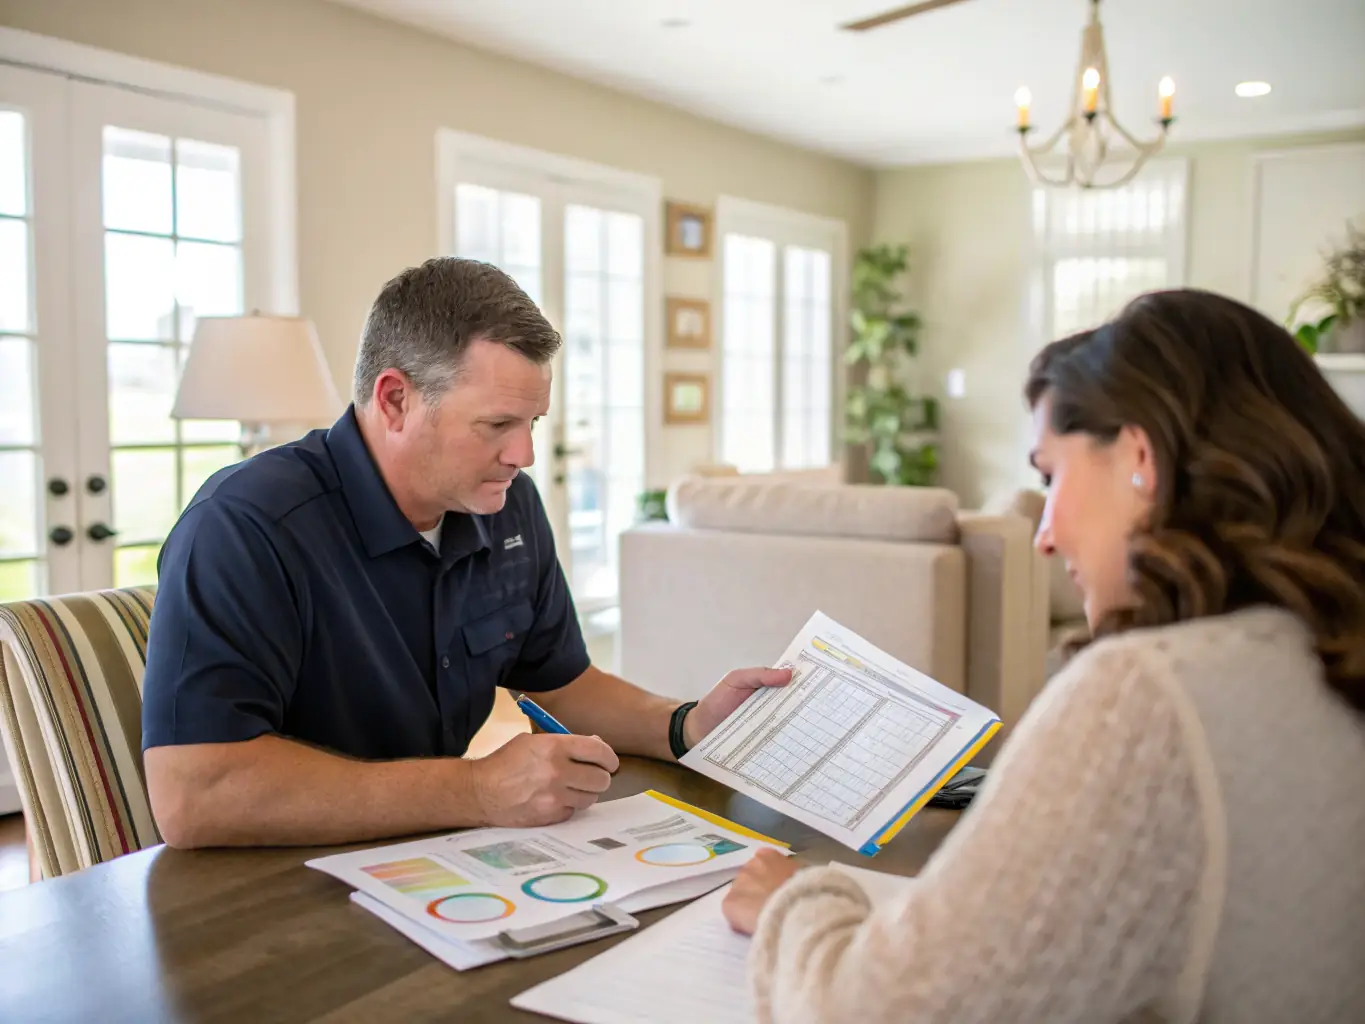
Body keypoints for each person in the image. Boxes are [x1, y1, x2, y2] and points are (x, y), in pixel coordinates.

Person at [721, 289, 1365, 1023]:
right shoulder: (1318, 655)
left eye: (1051, 475)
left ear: (1141, 457)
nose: (1045, 535)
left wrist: (797, 900)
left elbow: (873, 1012)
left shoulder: (1148, 696)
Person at [141, 257, 789, 849]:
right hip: (270, 883)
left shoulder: (507, 505)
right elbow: (194, 795)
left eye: (531, 424)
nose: (523, 455)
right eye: (496, 425)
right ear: (395, 399)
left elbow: (561, 683)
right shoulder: (245, 525)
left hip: (431, 856)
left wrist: (685, 726)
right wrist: (475, 789)